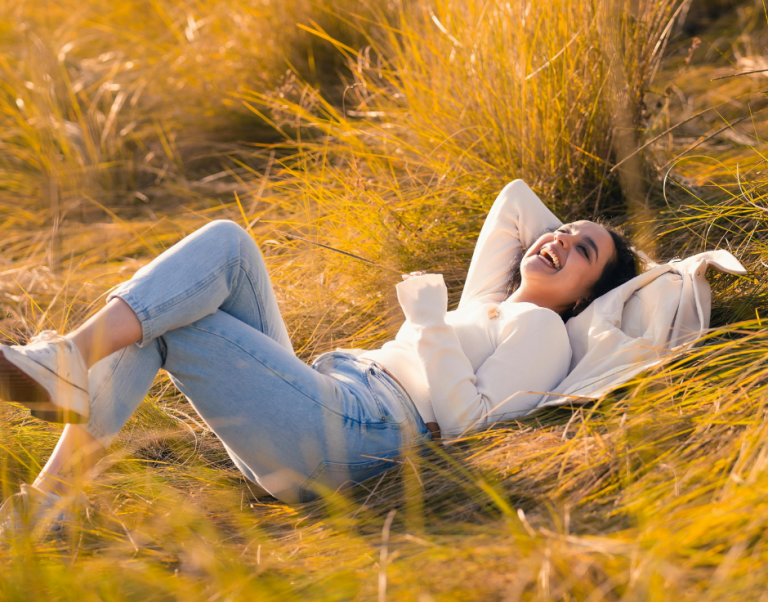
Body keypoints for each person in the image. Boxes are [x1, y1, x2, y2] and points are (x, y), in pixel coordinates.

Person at [0, 180, 637, 534]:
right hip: (323, 400)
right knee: (226, 251)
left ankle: (63, 394)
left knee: (173, 319)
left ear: (587, 298)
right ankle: (56, 438)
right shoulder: (488, 303)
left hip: (359, 432)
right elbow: (515, 200)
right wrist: (569, 244)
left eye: (582, 251)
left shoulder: (544, 332)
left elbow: (472, 422)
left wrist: (426, 320)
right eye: (562, 230)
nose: (559, 239)